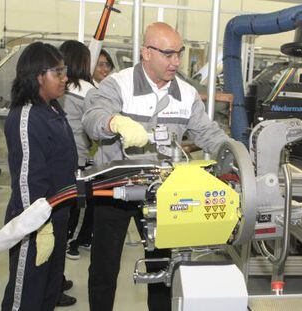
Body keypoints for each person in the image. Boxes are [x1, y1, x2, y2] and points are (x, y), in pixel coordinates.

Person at [82, 22, 229, 311]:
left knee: (162, 267)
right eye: (168, 53)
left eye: (180, 54)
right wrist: (114, 122)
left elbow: (209, 134)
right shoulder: (118, 84)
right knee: (104, 265)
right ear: (146, 52)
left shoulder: (186, 95)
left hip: (162, 192)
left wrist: (237, 155)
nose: (176, 61)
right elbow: (92, 116)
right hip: (116, 188)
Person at [1, 42, 78, 311]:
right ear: (37, 76)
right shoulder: (26, 116)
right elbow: (26, 181)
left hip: (56, 217)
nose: (65, 77)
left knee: (48, 293)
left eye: (64, 70)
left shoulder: (53, 109)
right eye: (58, 72)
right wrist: (38, 226)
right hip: (34, 225)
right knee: (26, 297)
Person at [59, 40, 95, 261]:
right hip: (78, 157)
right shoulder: (88, 89)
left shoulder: (56, 87)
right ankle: (69, 241)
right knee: (73, 207)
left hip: (55, 156)